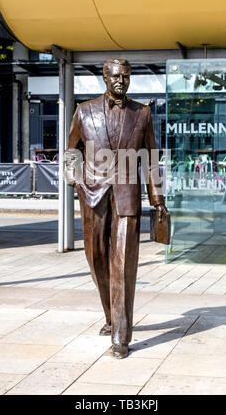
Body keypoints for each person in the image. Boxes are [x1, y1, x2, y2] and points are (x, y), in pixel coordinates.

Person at [66, 58, 167, 358]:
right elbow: (71, 152)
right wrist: (78, 184)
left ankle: (121, 338)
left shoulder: (142, 114)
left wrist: (158, 200)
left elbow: (151, 160)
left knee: (122, 264)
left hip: (127, 198)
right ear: (105, 78)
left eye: (126, 76)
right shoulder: (84, 112)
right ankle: (111, 316)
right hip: (92, 197)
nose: (121, 81)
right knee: (96, 259)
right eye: (115, 76)